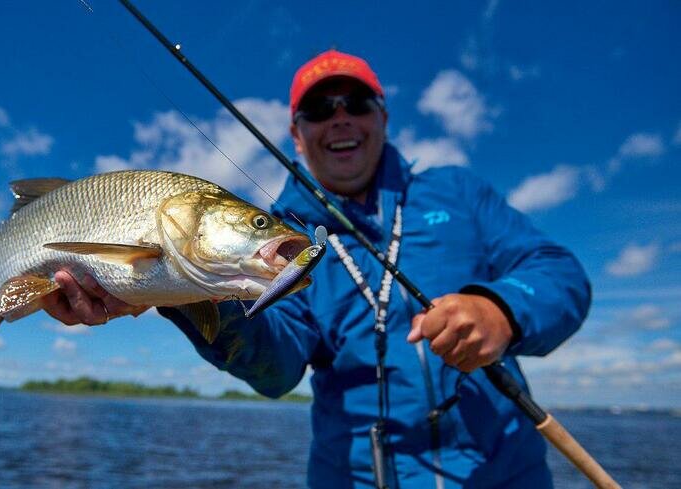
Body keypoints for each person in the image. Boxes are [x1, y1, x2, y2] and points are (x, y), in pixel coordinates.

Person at [43, 50, 591, 488]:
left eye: (355, 102)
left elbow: (559, 271)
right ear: (298, 135)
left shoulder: (458, 192)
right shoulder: (281, 239)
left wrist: (502, 308)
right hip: (349, 475)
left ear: (382, 116)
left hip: (502, 474)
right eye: (319, 109)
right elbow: (277, 367)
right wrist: (185, 290)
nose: (340, 117)